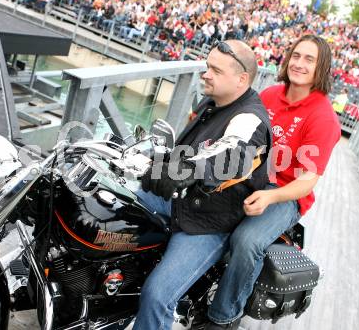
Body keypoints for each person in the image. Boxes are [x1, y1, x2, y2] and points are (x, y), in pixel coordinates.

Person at [203, 34, 341, 329]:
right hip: (249, 175)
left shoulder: (323, 117)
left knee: (247, 241)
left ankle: (225, 317)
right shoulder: (268, 95)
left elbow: (307, 181)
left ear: (321, 68)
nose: (299, 64)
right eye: (296, 55)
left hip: (285, 194)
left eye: (309, 59)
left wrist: (269, 197)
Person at [133, 40, 272, 330]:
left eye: (215, 70)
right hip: (180, 199)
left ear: (241, 79)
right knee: (108, 209)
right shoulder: (211, 103)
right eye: (207, 66)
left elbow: (233, 154)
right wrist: (156, 166)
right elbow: (186, 150)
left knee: (157, 296)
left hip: (209, 219)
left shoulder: (250, 118)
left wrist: (189, 170)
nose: (205, 74)